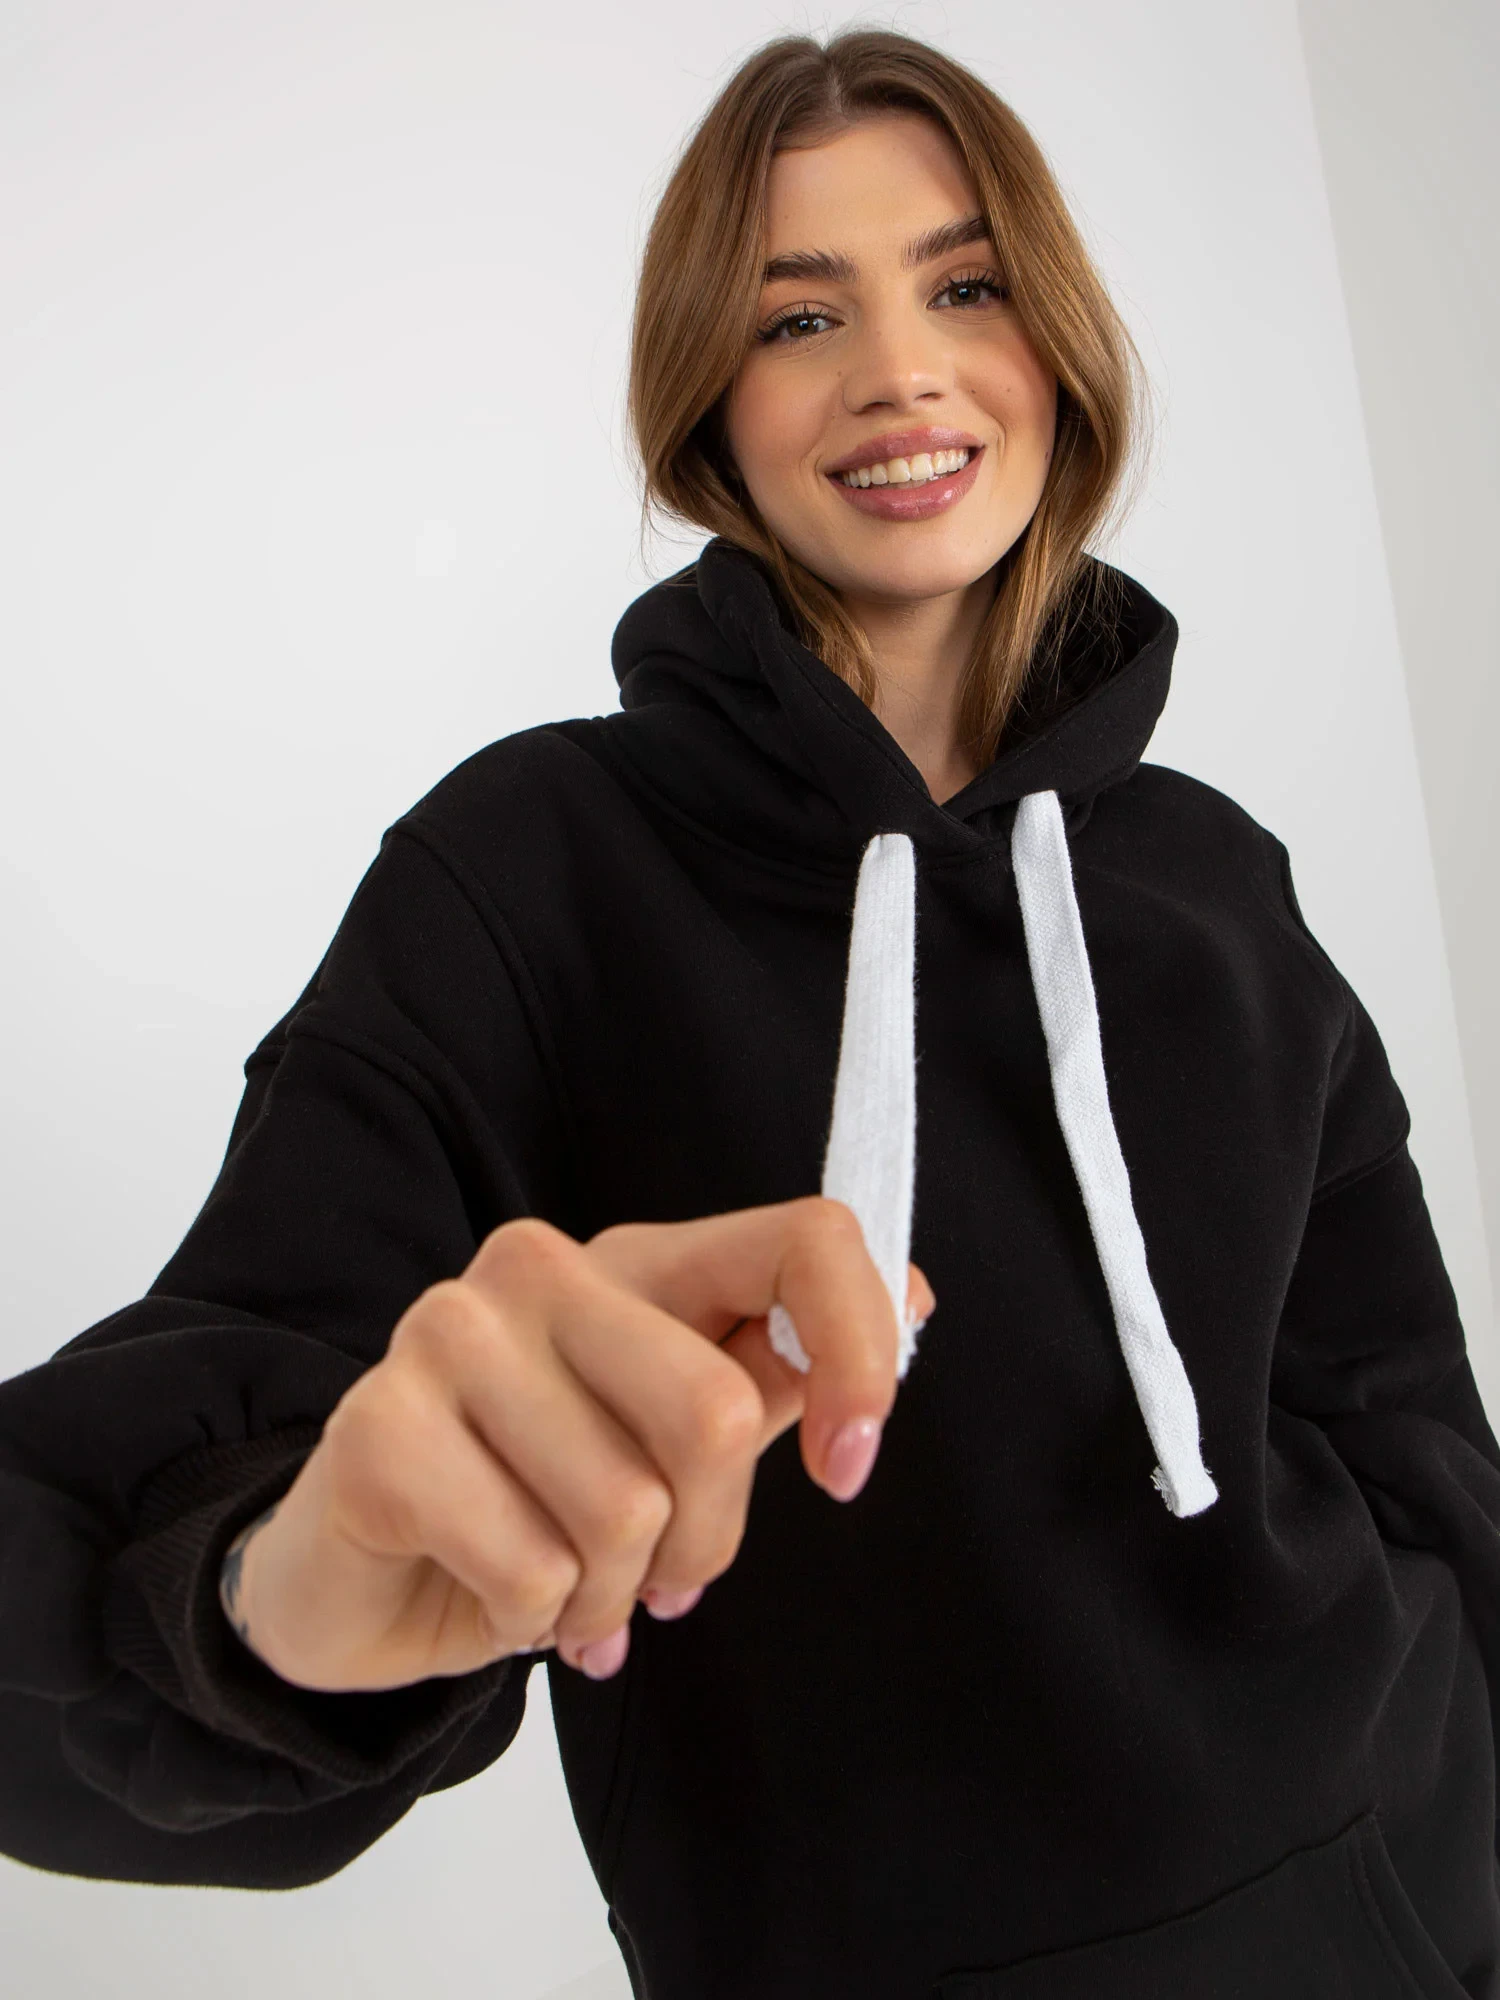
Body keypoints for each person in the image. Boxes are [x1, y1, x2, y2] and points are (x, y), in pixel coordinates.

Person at [1, 24, 1496, 1999]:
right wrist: (262, 1597)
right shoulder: (526, 875)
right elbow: (104, 1535)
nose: (900, 372)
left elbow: (1418, 1445)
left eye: (966, 287)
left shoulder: (1215, 880)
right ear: (710, 403)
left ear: (1057, 344)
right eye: (802, 317)